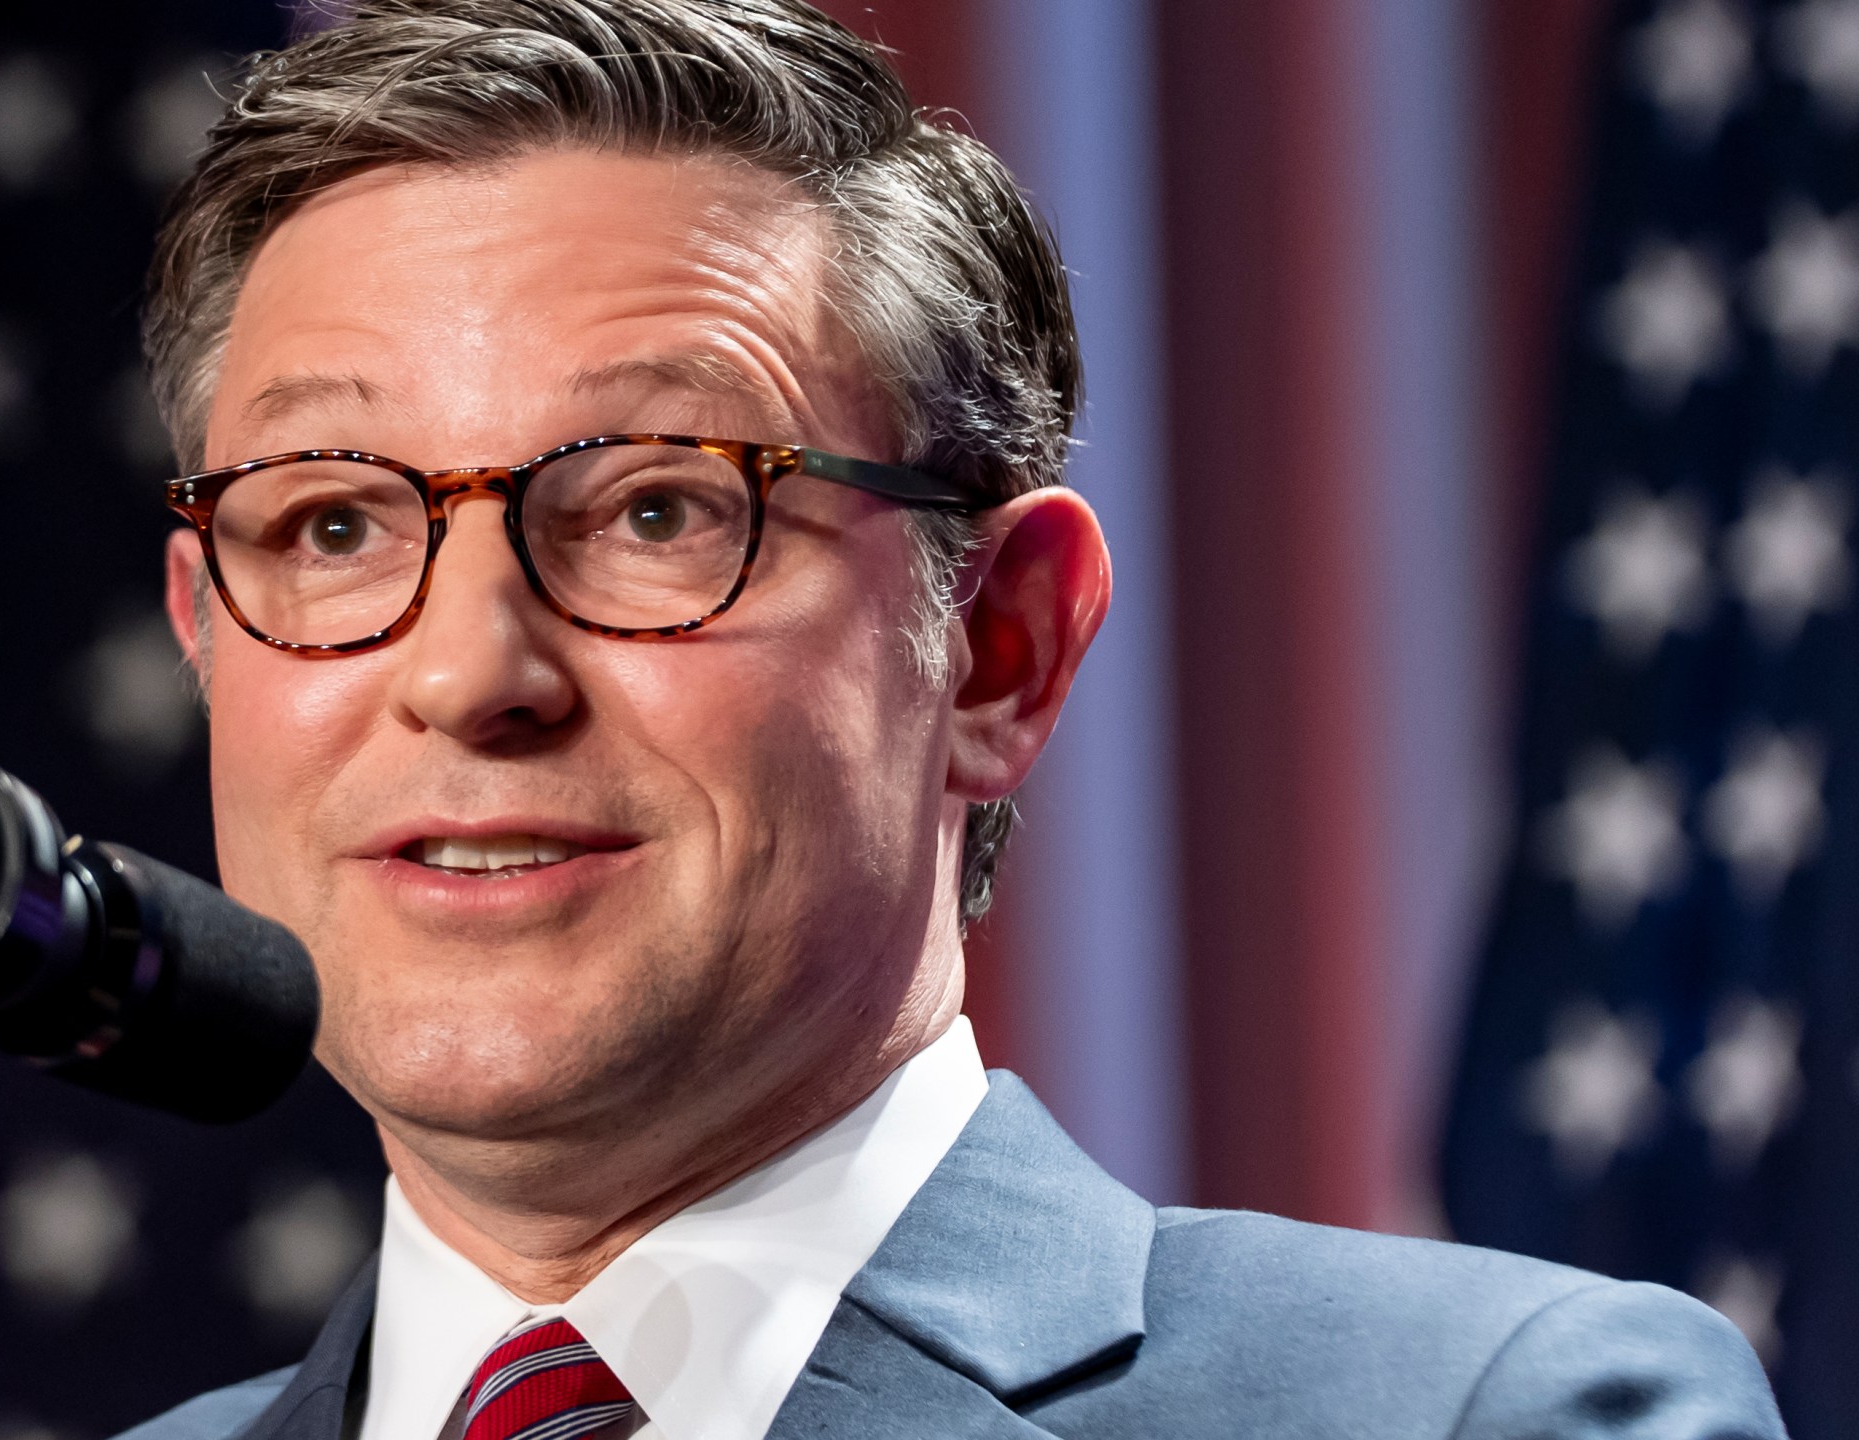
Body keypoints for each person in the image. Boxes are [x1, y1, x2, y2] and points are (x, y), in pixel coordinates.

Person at [119, 2, 1785, 1437]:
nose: (469, 673)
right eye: (331, 526)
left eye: (657, 513)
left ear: (997, 648)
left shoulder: (1484, 1413)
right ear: (205, 629)